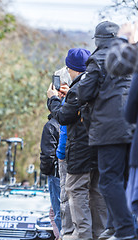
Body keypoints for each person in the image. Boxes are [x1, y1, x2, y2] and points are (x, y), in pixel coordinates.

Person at [78, 21, 137, 240]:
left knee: (109, 179)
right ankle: (114, 226)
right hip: (132, 126)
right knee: (125, 178)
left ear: (99, 40)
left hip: (109, 126)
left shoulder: (99, 58)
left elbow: (84, 93)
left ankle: (124, 228)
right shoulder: (132, 56)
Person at [48, 48, 108, 240]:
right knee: (97, 192)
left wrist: (53, 101)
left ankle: (82, 235)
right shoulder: (100, 82)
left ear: (71, 68)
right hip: (101, 148)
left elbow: (64, 116)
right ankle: (100, 233)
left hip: (80, 150)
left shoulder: (79, 88)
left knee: (76, 191)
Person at [39, 102, 61, 235]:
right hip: (74, 172)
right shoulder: (76, 119)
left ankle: (61, 236)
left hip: (56, 174)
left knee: (57, 211)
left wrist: (45, 171)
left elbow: (48, 154)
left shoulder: (51, 126)